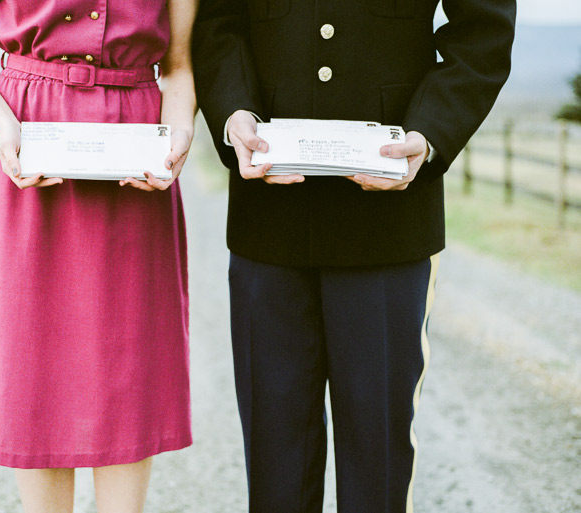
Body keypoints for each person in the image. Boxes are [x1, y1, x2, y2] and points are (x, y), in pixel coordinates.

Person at [192, 0, 515, 511]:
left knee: (377, 457)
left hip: (389, 223)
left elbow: (482, 33)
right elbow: (218, 24)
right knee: (275, 457)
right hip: (269, 220)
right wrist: (236, 111)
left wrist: (428, 132)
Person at [0, 0, 196, 511]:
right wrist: (1, 123)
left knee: (128, 365)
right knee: (32, 360)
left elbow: (179, 69)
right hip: (27, 140)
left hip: (135, 159)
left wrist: (176, 136)